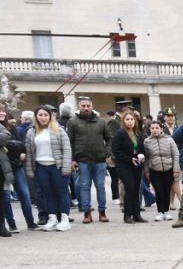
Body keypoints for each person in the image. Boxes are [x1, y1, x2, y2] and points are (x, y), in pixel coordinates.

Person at [24, 106, 73, 232]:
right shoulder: (31, 132)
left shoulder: (59, 130)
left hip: (57, 166)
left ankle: (64, 219)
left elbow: (67, 149)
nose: (43, 118)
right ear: (36, 117)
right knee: (47, 193)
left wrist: (66, 167)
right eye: (40, 115)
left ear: (50, 116)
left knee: (62, 192)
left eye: (46, 115)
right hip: (40, 166)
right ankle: (52, 218)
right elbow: (29, 152)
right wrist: (29, 170)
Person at [66, 96, 110, 224]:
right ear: (79, 107)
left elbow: (110, 139)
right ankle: (87, 213)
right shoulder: (72, 122)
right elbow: (69, 142)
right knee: (84, 187)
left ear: (92, 107)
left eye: (88, 106)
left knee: (100, 187)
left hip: (100, 160)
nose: (86, 108)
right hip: (82, 160)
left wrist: (107, 153)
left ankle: (102, 212)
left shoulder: (101, 122)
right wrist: (72, 159)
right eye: (83, 106)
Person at [109, 111, 147, 224]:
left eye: (132, 119)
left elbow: (141, 148)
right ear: (123, 121)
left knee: (136, 189)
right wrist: (130, 159)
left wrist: (142, 156)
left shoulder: (138, 133)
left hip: (137, 165)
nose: (130, 122)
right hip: (124, 165)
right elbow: (116, 151)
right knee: (130, 188)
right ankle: (127, 215)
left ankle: (137, 215)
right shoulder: (120, 133)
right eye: (127, 119)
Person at [143, 120, 180, 221]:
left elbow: (176, 155)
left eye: (157, 128)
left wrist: (176, 169)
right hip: (154, 169)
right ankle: (160, 212)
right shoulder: (147, 141)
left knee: (167, 190)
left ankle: (166, 211)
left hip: (169, 168)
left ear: (161, 129)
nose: (155, 130)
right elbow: (146, 158)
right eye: (152, 128)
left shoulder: (169, 140)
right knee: (159, 191)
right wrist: (146, 171)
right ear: (150, 130)